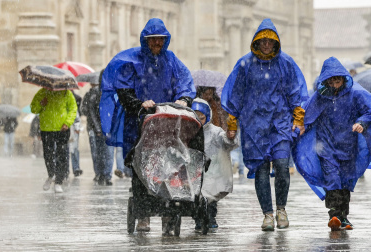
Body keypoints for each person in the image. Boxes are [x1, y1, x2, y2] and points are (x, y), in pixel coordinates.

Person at [101, 18, 195, 232]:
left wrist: (184, 99)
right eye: (153, 40)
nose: (157, 44)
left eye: (160, 40)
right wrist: (139, 104)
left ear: (165, 40)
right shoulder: (133, 61)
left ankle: (168, 214)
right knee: (141, 168)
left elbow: (184, 81)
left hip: (168, 123)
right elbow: (123, 90)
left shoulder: (171, 60)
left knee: (170, 167)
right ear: (146, 40)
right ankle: (143, 214)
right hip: (139, 123)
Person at [221, 18, 308, 231]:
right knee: (260, 171)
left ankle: (281, 209)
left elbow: (295, 93)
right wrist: (232, 123)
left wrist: (298, 119)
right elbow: (236, 95)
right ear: (257, 42)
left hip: (280, 124)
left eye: (270, 41)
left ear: (276, 42)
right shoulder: (245, 65)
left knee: (281, 166)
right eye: (263, 40)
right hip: (253, 126)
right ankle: (267, 214)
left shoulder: (286, 64)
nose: (267, 44)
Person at [293, 57, 371, 231]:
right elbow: (308, 114)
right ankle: (334, 214)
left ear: (343, 79)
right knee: (331, 177)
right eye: (331, 81)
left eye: (337, 80)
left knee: (345, 181)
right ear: (326, 81)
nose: (334, 84)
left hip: (348, 145)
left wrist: (362, 123)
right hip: (326, 145)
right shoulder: (320, 97)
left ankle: (343, 216)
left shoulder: (356, 93)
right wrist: (301, 127)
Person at [191, 98, 238, 230]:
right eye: (195, 117)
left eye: (201, 118)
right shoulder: (187, 131)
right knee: (194, 198)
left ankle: (210, 216)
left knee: (210, 198)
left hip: (211, 171)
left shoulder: (214, 131)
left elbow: (226, 143)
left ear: (207, 116)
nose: (199, 121)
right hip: (193, 171)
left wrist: (230, 137)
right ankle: (197, 218)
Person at [30, 88, 77, 193]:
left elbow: (73, 109)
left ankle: (58, 182)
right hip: (47, 128)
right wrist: (41, 104)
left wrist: (67, 122)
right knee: (48, 154)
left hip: (62, 129)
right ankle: (51, 175)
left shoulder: (66, 93)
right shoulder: (42, 92)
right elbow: (33, 109)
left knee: (62, 155)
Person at [81, 72, 112, 186]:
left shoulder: (110, 93)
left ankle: (106, 175)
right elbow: (91, 112)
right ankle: (101, 174)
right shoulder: (94, 94)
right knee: (99, 152)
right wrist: (99, 128)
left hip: (106, 128)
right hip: (96, 128)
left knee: (106, 152)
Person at [68, 111, 83, 177]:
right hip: (64, 128)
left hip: (72, 129)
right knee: (65, 150)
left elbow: (75, 115)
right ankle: (65, 169)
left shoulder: (71, 102)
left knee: (74, 148)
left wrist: (77, 127)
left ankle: (76, 167)